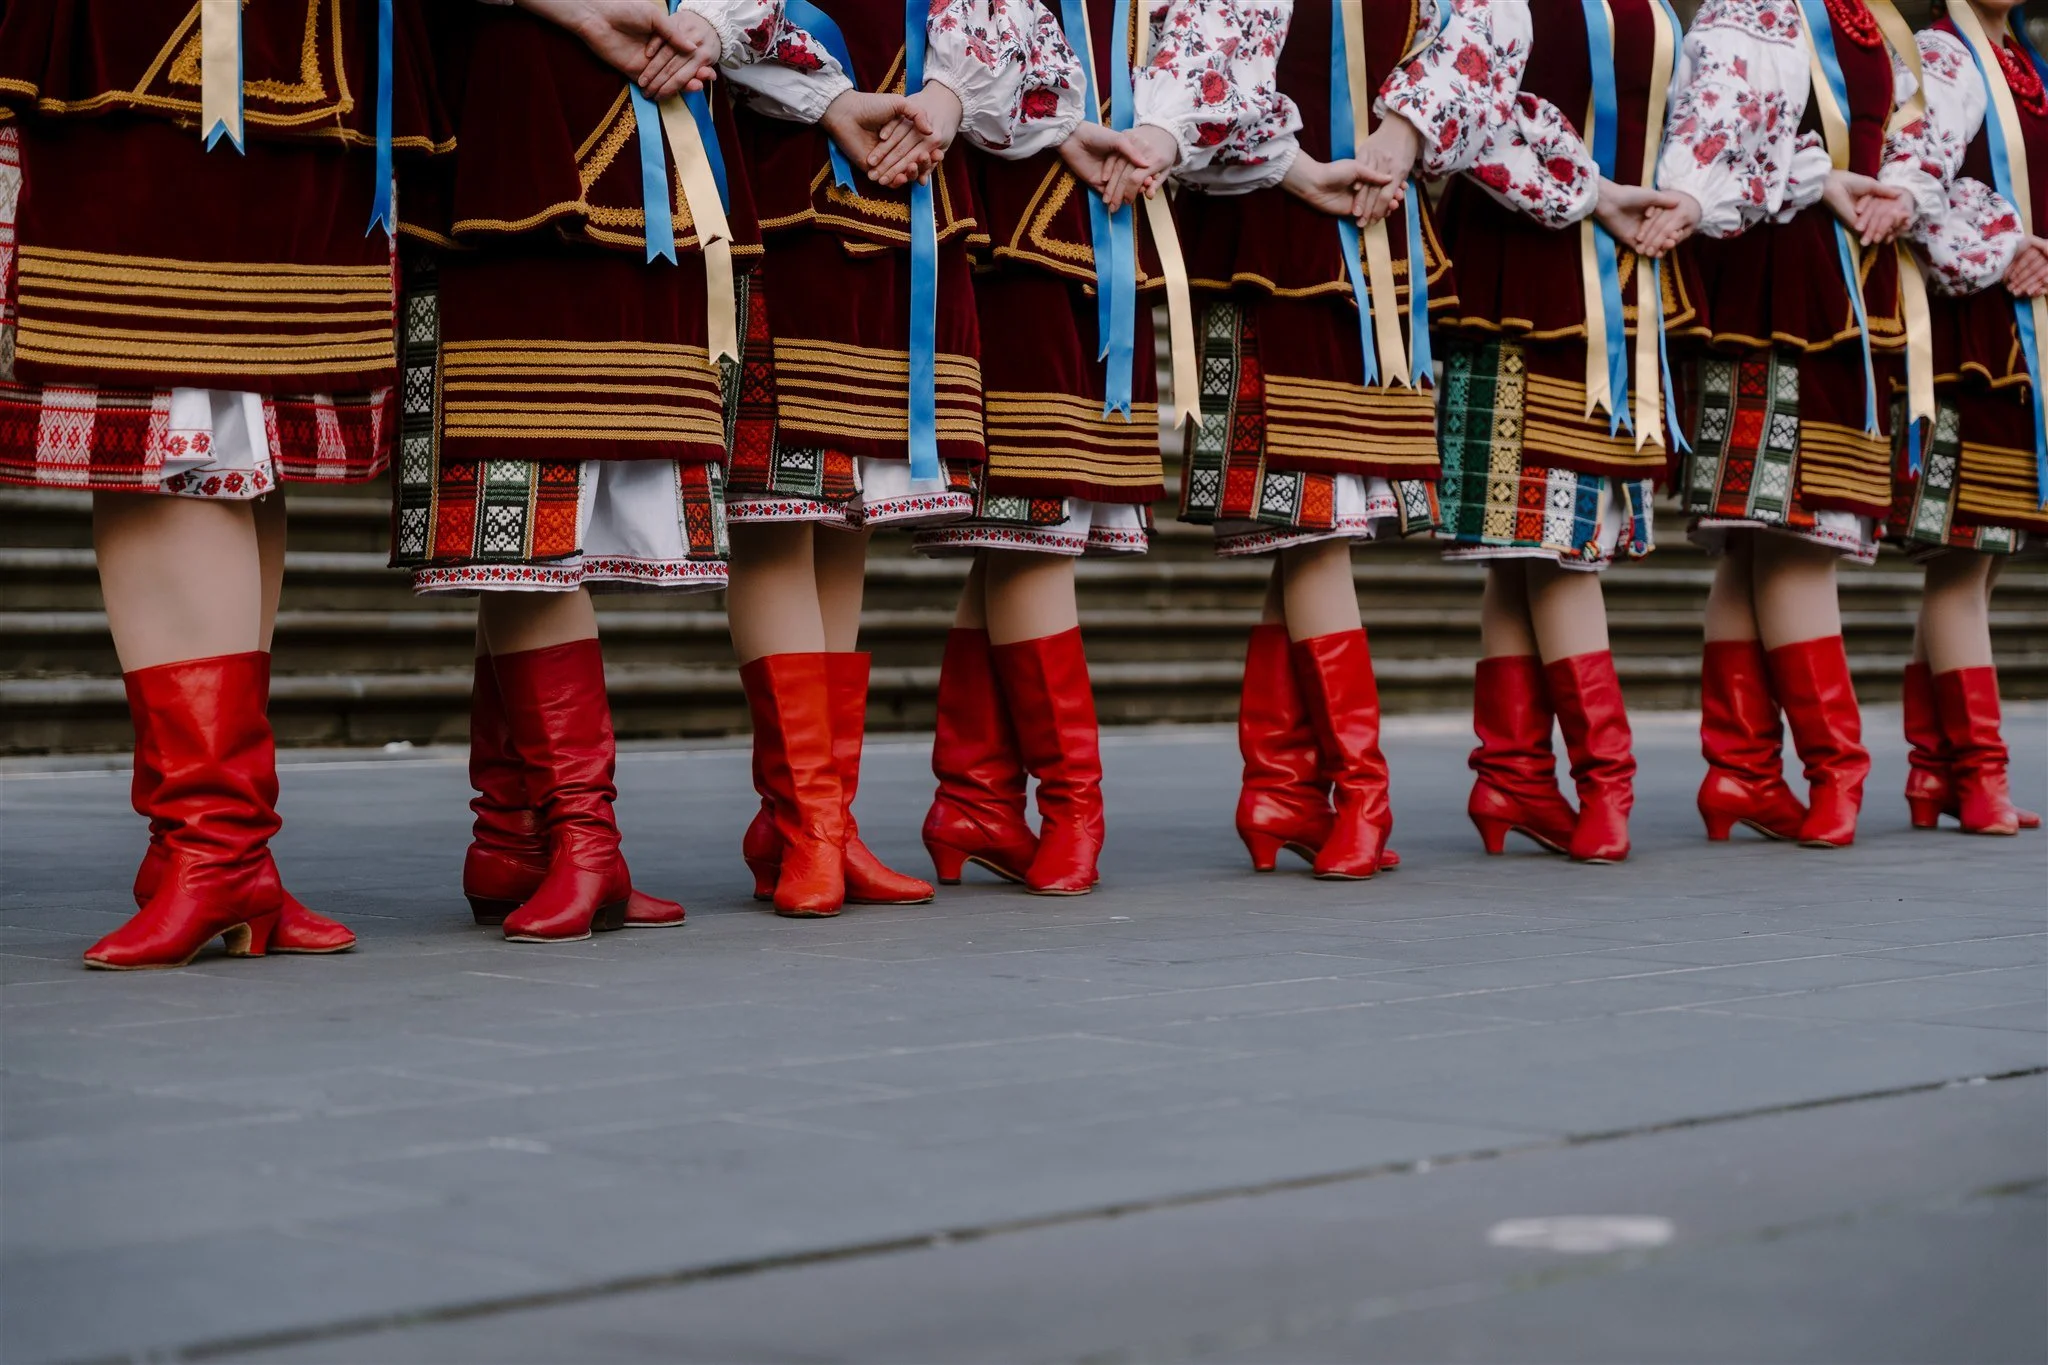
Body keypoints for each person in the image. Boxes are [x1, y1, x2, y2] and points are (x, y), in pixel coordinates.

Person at [0, 0, 446, 967]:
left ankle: (215, 852)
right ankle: (212, 849)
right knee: (182, 392)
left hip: (286, 59)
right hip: (204, 53)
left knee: (216, 395)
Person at [392, 0, 839, 941]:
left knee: (528, 497)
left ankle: (524, 838)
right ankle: (577, 842)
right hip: (515, 118)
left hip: (651, 144)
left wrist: (709, 28)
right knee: (514, 486)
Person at [1104, 0, 1489, 881]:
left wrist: (1406, 129)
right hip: (1273, 234)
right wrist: (1295, 162)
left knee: (1314, 527)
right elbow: (1201, 54)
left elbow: (1484, 33)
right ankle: (1356, 792)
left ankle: (1283, 788)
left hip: (1365, 233)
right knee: (1315, 523)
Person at [721, 2, 1079, 916]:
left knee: (846, 512)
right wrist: (829, 92)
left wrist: (948, 98)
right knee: (780, 507)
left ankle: (819, 821)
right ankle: (808, 823)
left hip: (908, 197)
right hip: (785, 173)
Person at [1382, 0, 1691, 865]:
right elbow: (1464, 103)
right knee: (1554, 544)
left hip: (1608, 286)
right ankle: (1600, 781)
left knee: (1532, 546)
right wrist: (1592, 189)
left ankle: (1513, 774)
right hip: (1522, 275)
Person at [1639, 0, 1924, 850]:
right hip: (1776, 284)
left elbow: (1907, 138)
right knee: (1786, 532)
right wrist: (1815, 176)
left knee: (1759, 537)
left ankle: (1742, 770)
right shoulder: (1752, 8)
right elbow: (1715, 126)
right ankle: (1830, 768)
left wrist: (1899, 193)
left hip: (1838, 289)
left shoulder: (1875, 19)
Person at [916, 5, 1163, 897]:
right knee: (1032, 515)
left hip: (1080, 222)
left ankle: (976, 795)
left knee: (1022, 521)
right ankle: (1069, 805)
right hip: (1017, 217)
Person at [1887, 0, 2046, 836]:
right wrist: (2002, 246)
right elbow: (1916, 185)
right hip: (1966, 332)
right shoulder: (1942, 52)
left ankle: (1935, 771)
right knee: (1963, 556)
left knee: (1983, 562)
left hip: (2020, 334)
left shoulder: (2019, 55)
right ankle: (1977, 775)